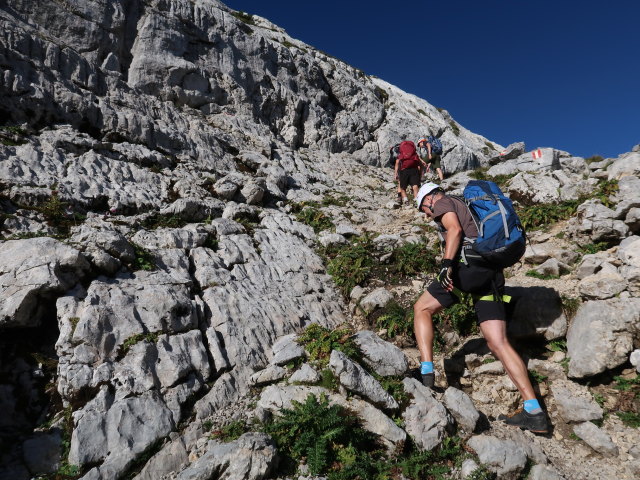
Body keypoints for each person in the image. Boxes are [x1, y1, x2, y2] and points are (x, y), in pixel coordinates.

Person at [412, 182, 549, 433]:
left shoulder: (444, 202)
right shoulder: (469, 205)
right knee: (498, 341)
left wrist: (446, 265)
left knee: (421, 309)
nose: (425, 214)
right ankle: (534, 411)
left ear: (430, 198)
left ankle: (426, 374)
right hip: (491, 276)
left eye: (423, 208)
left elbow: (454, 230)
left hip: (467, 271)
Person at [394, 140, 425, 205]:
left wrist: (396, 173)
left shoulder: (401, 154)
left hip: (404, 170)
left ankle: (405, 200)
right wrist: (421, 175)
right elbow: (421, 165)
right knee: (415, 186)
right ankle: (416, 200)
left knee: (403, 188)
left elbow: (397, 163)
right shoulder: (414, 154)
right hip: (414, 170)